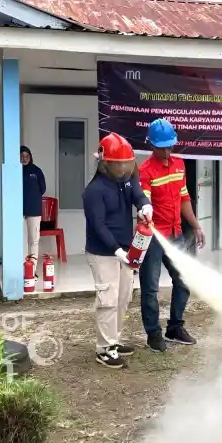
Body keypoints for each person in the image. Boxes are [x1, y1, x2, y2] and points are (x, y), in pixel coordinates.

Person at [82, 133, 153, 369]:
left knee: (123, 297)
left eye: (128, 162)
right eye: (120, 163)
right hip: (103, 253)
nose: (125, 167)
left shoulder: (127, 180)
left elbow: (138, 194)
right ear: (106, 163)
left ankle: (114, 341)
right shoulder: (94, 191)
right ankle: (104, 349)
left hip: (125, 250)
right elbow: (97, 225)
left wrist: (145, 205)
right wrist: (116, 250)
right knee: (108, 300)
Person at [138, 118, 204, 352]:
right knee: (151, 288)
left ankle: (175, 327)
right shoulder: (145, 171)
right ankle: (153, 334)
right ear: (152, 145)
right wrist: (145, 217)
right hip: (155, 237)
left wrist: (195, 225)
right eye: (161, 146)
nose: (166, 151)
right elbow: (143, 203)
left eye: (169, 146)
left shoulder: (179, 164)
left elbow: (184, 198)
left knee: (183, 280)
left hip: (176, 233)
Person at [20, 146, 47, 262]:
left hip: (34, 211)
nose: (24, 159)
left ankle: (32, 270)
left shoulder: (36, 171)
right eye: (22, 156)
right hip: (19, 212)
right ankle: (23, 268)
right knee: (21, 241)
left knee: (34, 240)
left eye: (27, 156)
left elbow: (43, 188)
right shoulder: (16, 171)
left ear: (30, 157)